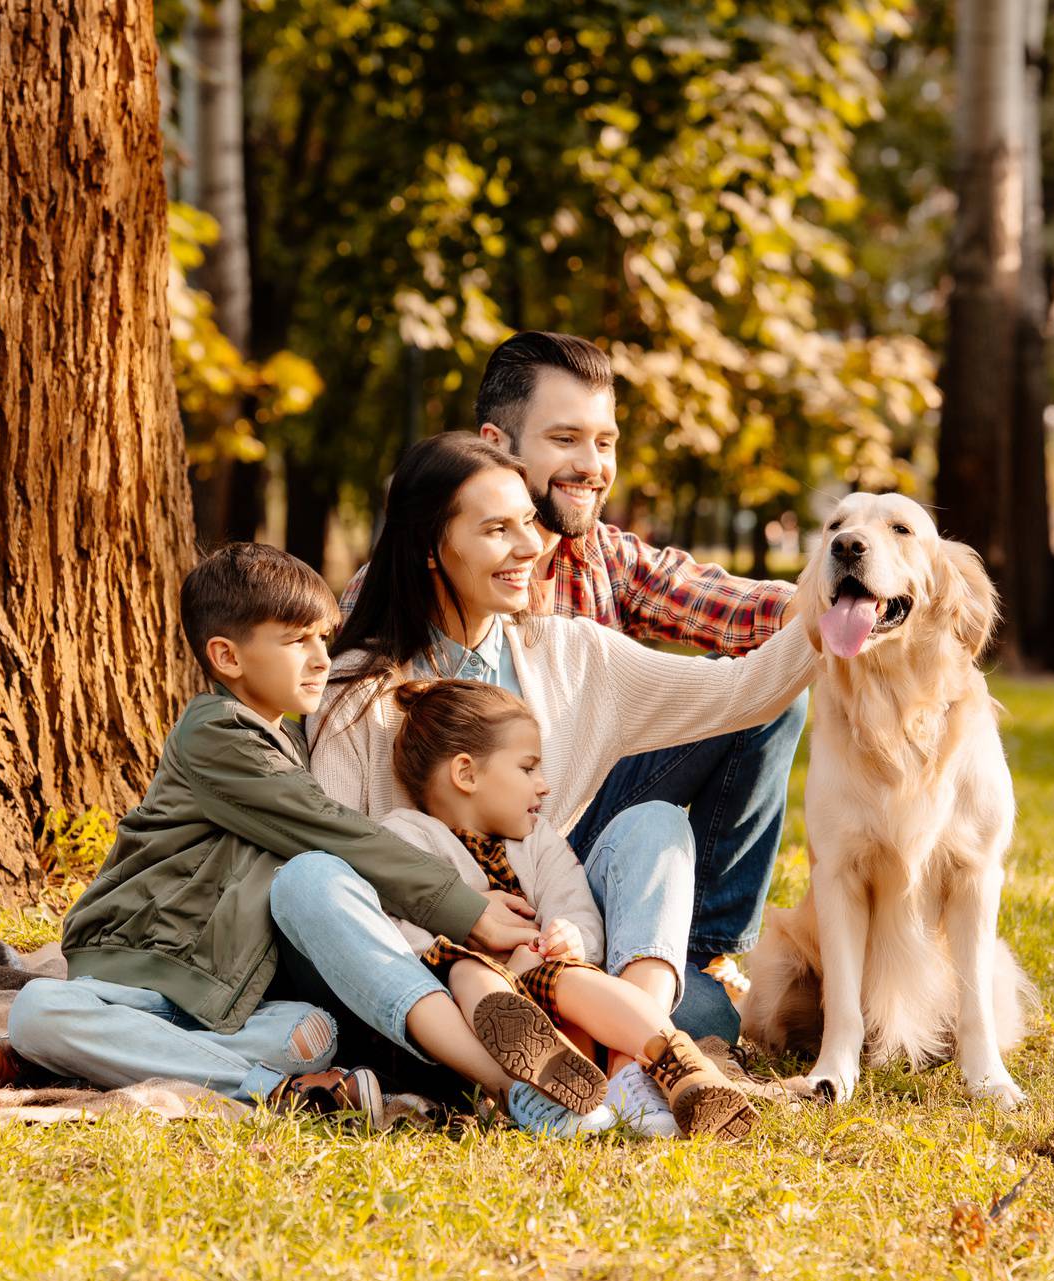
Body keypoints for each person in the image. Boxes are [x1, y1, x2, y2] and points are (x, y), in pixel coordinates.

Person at [274, 432, 816, 1112]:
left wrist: (832, 605)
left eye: (526, 521)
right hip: (428, 970)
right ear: (429, 549)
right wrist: (465, 921)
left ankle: (630, 1066)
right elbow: (349, 871)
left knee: (655, 831)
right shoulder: (356, 694)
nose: (531, 546)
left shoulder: (572, 651)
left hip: (550, 946)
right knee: (310, 882)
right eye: (497, 529)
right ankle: (524, 1069)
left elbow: (744, 693)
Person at [0, 543, 538, 1126]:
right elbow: (334, 828)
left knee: (310, 1033)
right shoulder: (215, 733)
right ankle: (273, 1090)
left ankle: (90, 1064)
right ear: (228, 656)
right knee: (39, 1010)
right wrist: (467, 909)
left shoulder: (285, 742)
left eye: (324, 637)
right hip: (148, 974)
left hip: (230, 998)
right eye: (298, 641)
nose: (322, 657)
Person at [342, 331, 808, 1039]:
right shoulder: (390, 622)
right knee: (699, 1019)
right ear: (496, 444)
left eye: (605, 442)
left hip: (570, 829)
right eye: (566, 438)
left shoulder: (598, 572)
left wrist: (841, 603)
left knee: (751, 717)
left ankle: (692, 959)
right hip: (452, 886)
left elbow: (735, 614)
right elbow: (354, 822)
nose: (592, 466)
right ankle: (634, 1020)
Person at [380, 678, 761, 1141]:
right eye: (528, 769)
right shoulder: (405, 836)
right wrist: (494, 957)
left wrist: (570, 935)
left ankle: (677, 1066)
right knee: (470, 974)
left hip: (546, 981)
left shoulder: (537, 840)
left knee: (575, 975)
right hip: (469, 998)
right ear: (466, 773)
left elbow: (578, 908)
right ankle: (566, 1090)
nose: (543, 786)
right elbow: (400, 929)